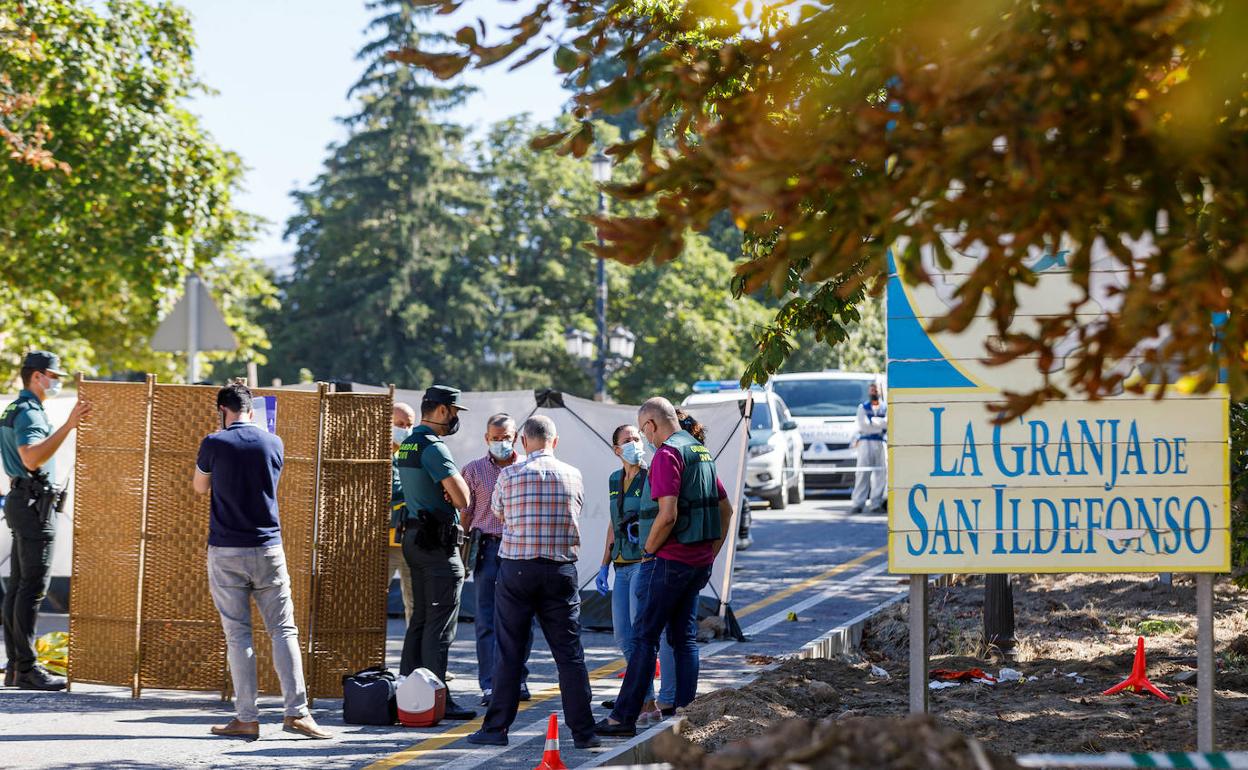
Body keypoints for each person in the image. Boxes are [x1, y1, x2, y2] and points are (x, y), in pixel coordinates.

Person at [193, 383, 330, 739]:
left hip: (226, 550)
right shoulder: (275, 442)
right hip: (268, 548)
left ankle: (247, 718)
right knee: (284, 630)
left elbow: (199, 487)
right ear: (251, 409)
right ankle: (297, 713)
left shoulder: (214, 443)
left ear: (222, 410)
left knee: (239, 635)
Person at [597, 398, 734, 737]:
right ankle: (683, 711)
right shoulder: (700, 451)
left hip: (669, 561)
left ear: (651, 425)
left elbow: (668, 514)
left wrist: (647, 551)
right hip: (697, 562)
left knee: (643, 637)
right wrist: (710, 553)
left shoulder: (668, 454)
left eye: (643, 431)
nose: (645, 439)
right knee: (683, 637)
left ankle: (622, 717)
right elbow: (726, 510)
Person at [467, 416, 599, 750]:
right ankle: (584, 733)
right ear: (554, 442)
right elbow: (577, 508)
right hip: (560, 570)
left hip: (517, 570)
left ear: (523, 442)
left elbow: (499, 514)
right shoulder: (573, 474)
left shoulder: (509, 475)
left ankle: (496, 729)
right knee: (569, 654)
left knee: (510, 651)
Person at [1, 351, 89, 691]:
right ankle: (26, 668)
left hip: (23, 500)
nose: (58, 381)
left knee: (19, 588)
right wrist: (69, 425)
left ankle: (16, 665)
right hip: (34, 504)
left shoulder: (15, 409)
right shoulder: (30, 413)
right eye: (54, 375)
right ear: (37, 376)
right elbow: (32, 458)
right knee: (32, 589)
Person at [394, 385, 475, 720]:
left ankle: (407, 694)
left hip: (414, 537)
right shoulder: (432, 446)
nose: (455, 418)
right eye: (454, 411)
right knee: (439, 625)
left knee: (421, 621)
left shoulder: (409, 443)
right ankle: (435, 695)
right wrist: (450, 489)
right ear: (442, 410)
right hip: (437, 545)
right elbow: (463, 499)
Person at [596, 424, 674, 724]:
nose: (634, 444)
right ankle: (647, 698)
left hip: (643, 563)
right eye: (627, 441)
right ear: (617, 449)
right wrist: (603, 564)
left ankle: (652, 701)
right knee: (623, 636)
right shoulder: (615, 479)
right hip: (620, 565)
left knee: (642, 633)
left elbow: (663, 514)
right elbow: (613, 524)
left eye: (637, 439)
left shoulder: (652, 475)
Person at [459, 413, 532, 707]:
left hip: (520, 550)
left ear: (516, 438)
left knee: (521, 618)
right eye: (495, 437)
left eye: (506, 437)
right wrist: (461, 549)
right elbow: (466, 512)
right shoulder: (474, 470)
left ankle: (518, 679)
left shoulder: (528, 467)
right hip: (487, 549)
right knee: (487, 620)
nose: (501, 442)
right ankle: (490, 685)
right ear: (486, 438)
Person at [388, 402, 416, 623]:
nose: (405, 429)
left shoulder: (412, 454)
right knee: (371, 601)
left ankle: (412, 656)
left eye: (409, 425)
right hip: (381, 543)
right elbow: (394, 491)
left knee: (415, 603)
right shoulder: (374, 455)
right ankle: (368, 655)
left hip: (410, 540)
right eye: (400, 424)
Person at [850, 381, 887, 513]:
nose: (874, 392)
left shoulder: (885, 407)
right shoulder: (863, 407)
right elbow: (863, 425)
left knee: (881, 473)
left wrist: (874, 422)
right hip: (865, 443)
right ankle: (858, 503)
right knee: (862, 472)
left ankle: (876, 503)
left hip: (881, 443)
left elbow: (888, 423)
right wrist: (879, 424)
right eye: (872, 390)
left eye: (876, 390)